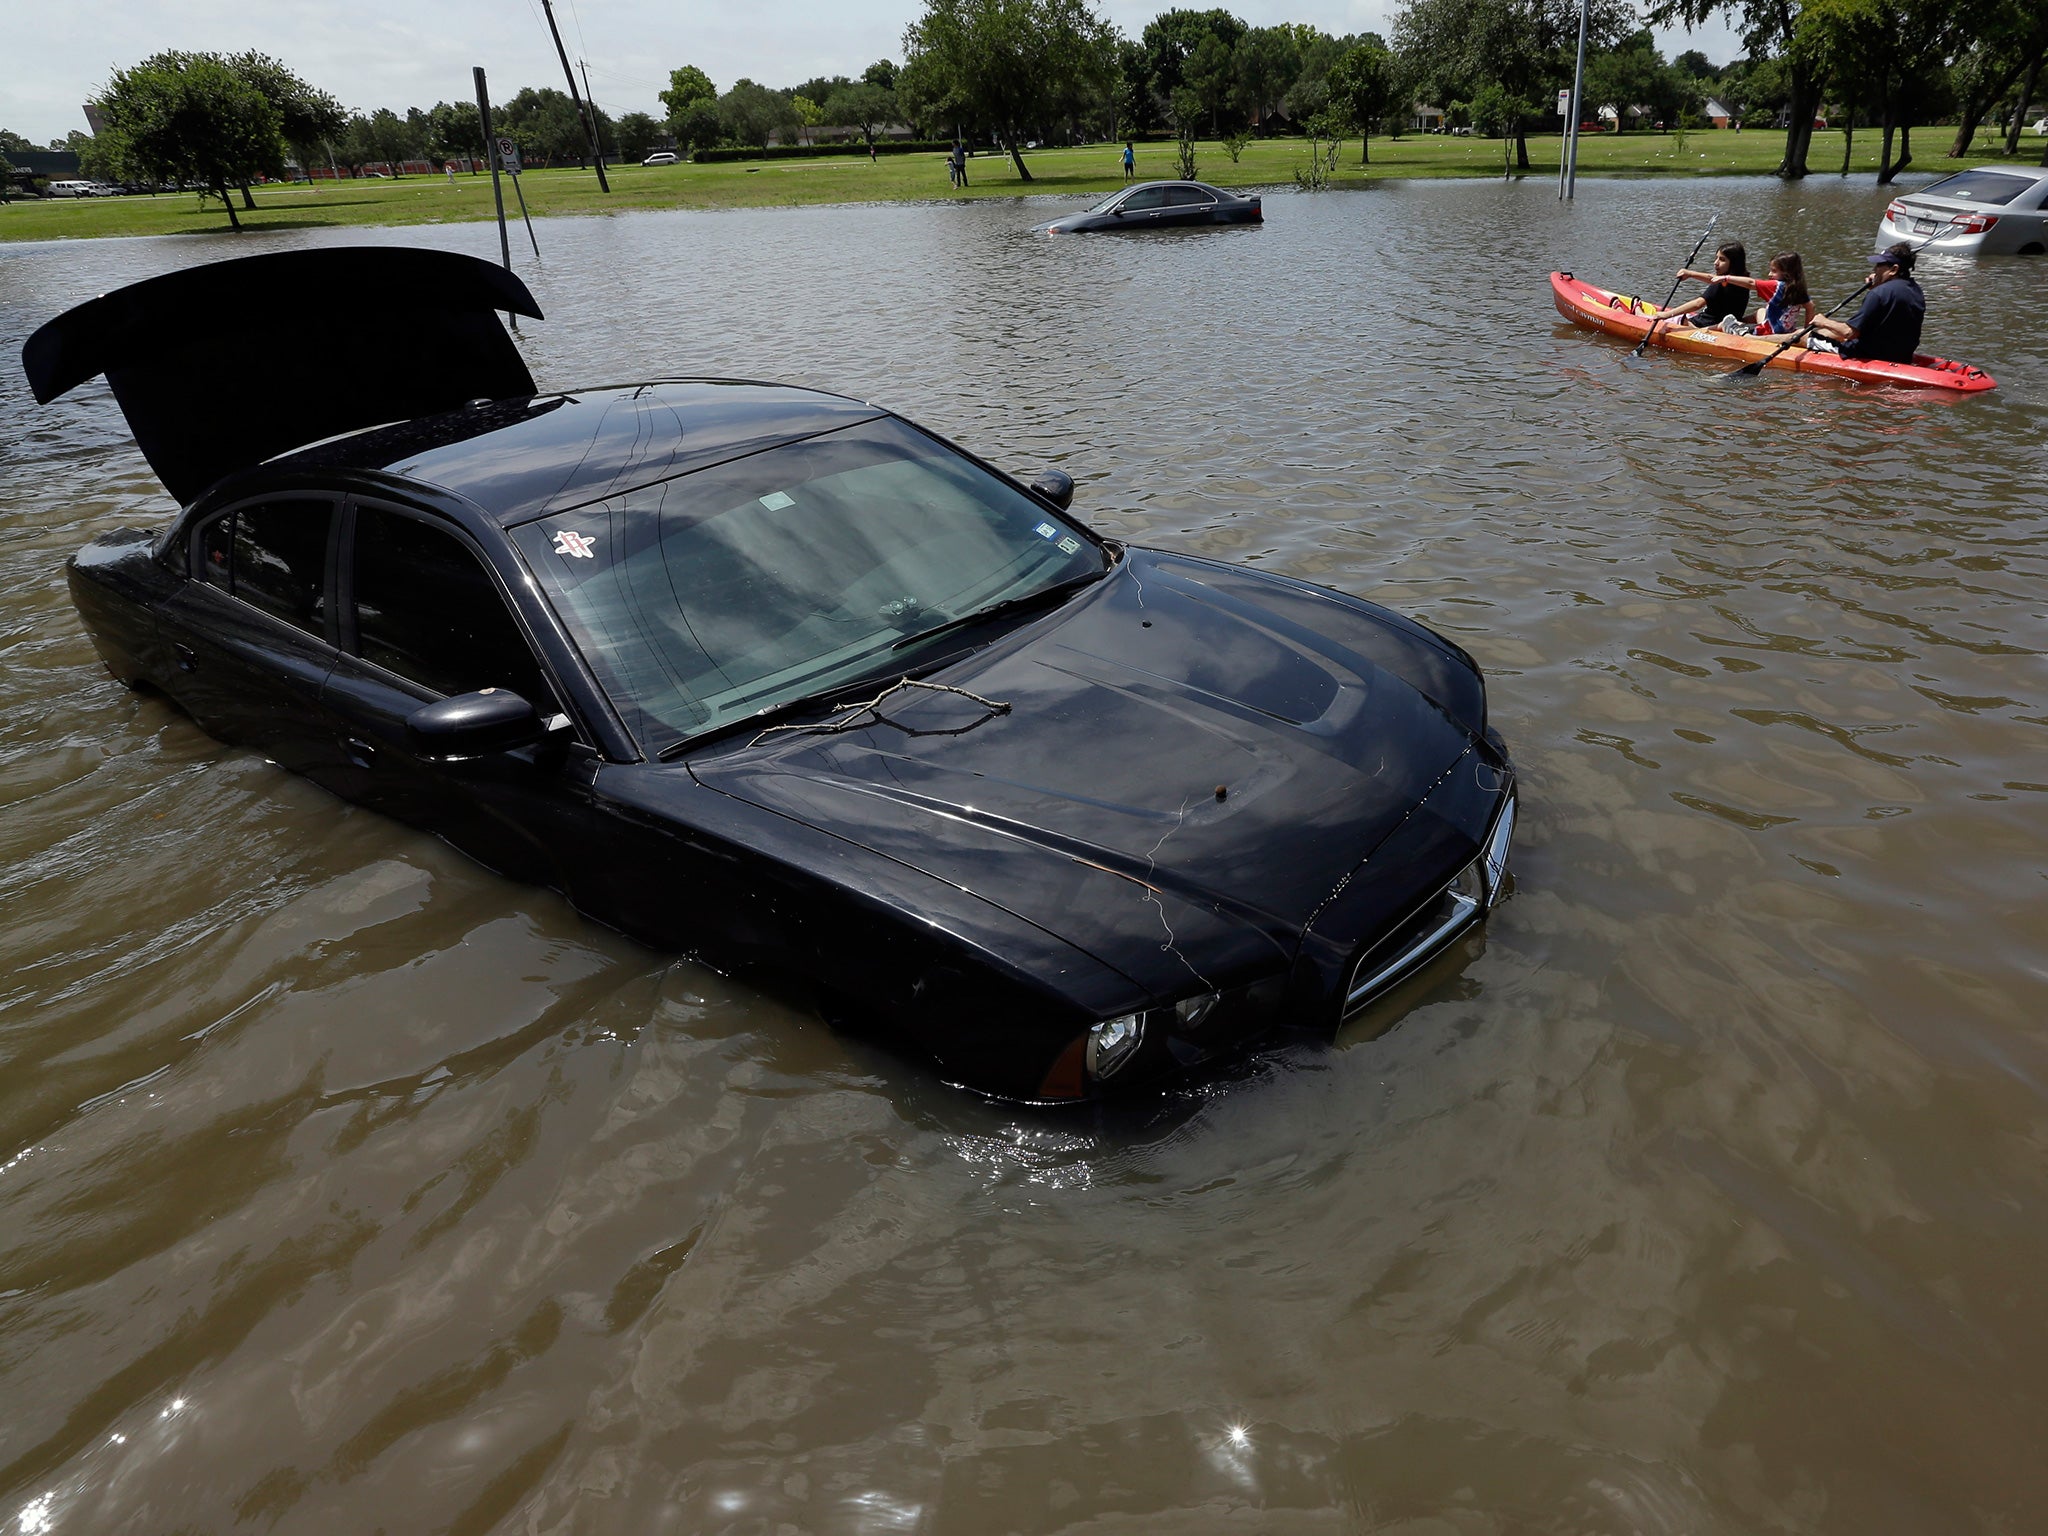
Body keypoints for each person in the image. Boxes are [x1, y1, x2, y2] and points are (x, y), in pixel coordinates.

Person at [1805, 243, 1924, 364]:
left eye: (1879, 265)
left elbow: (1850, 332)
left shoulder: (1878, 293)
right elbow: (1889, 315)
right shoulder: (1916, 290)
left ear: (1894, 269)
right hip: (1901, 355)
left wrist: (1823, 321)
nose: (1874, 270)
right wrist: (1878, 285)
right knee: (1828, 333)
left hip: (1866, 353)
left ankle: (1784, 339)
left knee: (1803, 336)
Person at [1706, 251, 1814, 335]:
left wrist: (1725, 278)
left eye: (1774, 271)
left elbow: (1750, 283)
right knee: (1761, 311)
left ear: (1786, 273)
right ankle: (1741, 324)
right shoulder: (1798, 289)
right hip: (1786, 331)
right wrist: (1806, 330)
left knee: (1724, 322)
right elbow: (1810, 307)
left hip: (1767, 333)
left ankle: (1701, 332)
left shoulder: (1776, 286)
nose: (1769, 274)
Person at [1656, 241, 1751, 328]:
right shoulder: (1744, 281)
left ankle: (1641, 311)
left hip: (1702, 325)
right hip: (1725, 325)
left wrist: (1668, 314)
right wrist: (1690, 274)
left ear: (1734, 263)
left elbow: (1698, 304)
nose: (1715, 263)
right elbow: (1712, 278)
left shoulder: (1720, 283)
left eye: (1722, 259)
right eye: (1716, 258)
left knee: (1650, 317)